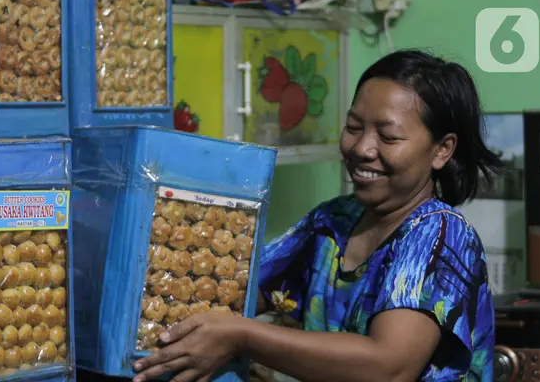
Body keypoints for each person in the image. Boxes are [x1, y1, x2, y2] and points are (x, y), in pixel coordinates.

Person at [131, 49, 504, 382]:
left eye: (388, 138)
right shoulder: (332, 223)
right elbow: (234, 286)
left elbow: (388, 366)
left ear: (442, 150)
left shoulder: (439, 234)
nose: (361, 148)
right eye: (353, 127)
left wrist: (239, 335)